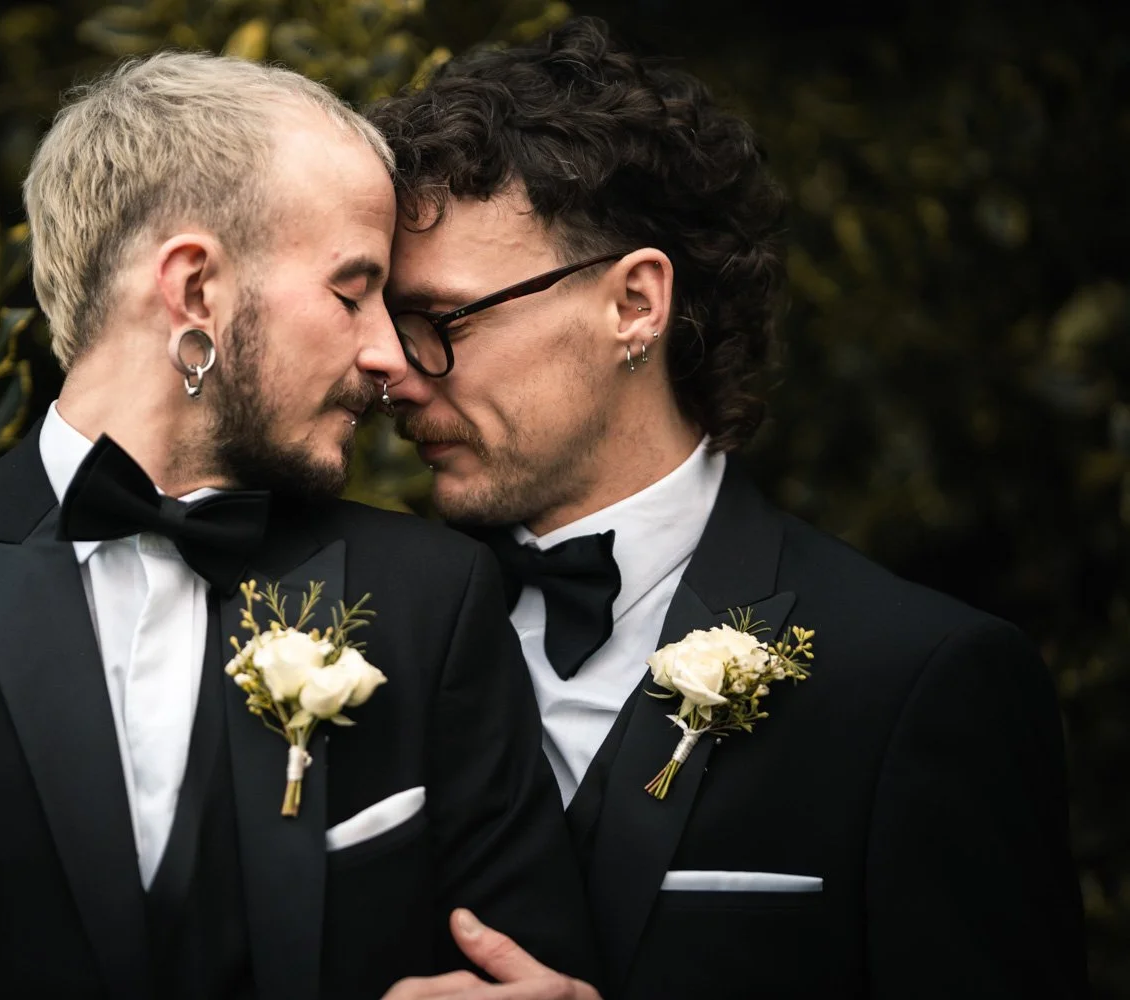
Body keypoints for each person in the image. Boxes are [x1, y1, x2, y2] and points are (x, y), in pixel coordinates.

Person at [0, 51, 596, 1000]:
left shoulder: (432, 600)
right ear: (195, 292)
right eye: (352, 292)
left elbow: (539, 971)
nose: (389, 355)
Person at [371, 17, 1086, 1000]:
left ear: (634, 304)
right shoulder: (372, 646)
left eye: (440, 323)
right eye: (385, 325)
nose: (397, 377)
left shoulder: (918, 679)